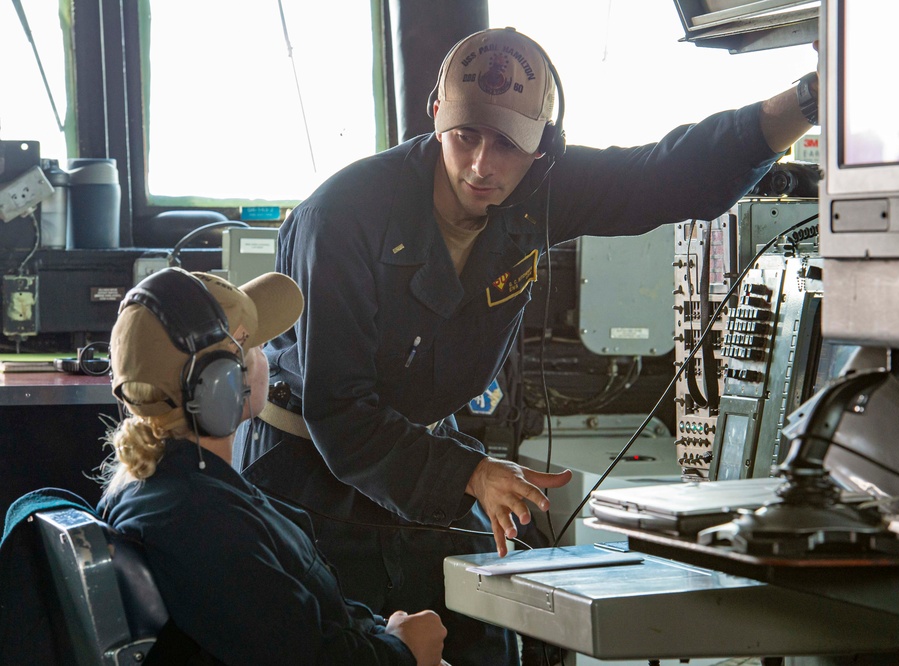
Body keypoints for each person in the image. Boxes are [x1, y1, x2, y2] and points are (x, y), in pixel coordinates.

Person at [233, 26, 819, 665]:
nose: (483, 165)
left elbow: (667, 174)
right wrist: (473, 473)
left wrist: (809, 100)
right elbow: (340, 410)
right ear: (436, 115)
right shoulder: (341, 216)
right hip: (312, 476)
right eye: (465, 136)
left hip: (421, 453)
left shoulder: (543, 189)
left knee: (498, 638)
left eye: (508, 144)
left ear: (543, 148)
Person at [97, 267, 449, 666]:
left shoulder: (165, 488)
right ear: (224, 385)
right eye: (257, 346)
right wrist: (403, 651)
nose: (267, 357)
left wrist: (384, 635)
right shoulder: (204, 525)